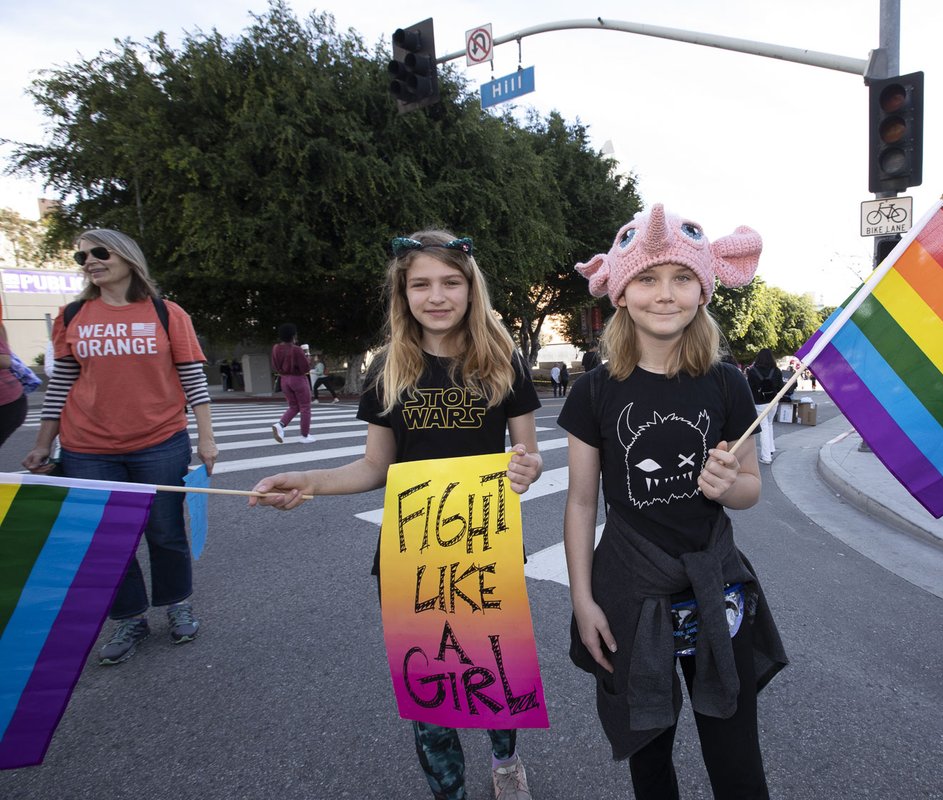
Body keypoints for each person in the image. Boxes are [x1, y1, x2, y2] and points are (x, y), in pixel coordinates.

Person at [250, 230, 544, 800]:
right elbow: (373, 467)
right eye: (421, 284)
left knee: (494, 674)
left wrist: (524, 471)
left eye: (450, 282)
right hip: (410, 557)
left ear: (470, 288)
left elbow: (524, 454)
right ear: (403, 293)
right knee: (431, 696)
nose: (437, 296)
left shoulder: (503, 359)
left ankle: (506, 759)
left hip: (486, 549)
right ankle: (448, 791)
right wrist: (307, 481)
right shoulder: (390, 367)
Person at [560, 204, 787, 800]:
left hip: (718, 590)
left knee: (736, 757)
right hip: (631, 597)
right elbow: (583, 505)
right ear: (621, 291)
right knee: (650, 758)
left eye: (682, 278)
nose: (665, 294)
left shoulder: (727, 382)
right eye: (648, 279)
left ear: (704, 290)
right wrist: (582, 600)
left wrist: (726, 485)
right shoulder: (593, 392)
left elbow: (749, 492)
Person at [21, 228, 217, 664]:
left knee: (165, 532)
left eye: (99, 252)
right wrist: (41, 444)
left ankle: (176, 604)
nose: (89, 260)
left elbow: (193, 381)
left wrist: (206, 438)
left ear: (128, 257)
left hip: (159, 442)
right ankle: (129, 617)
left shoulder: (167, 314)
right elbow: (61, 387)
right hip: (86, 447)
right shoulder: (72, 316)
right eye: (81, 256)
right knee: (108, 540)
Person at [270, 324, 316, 443]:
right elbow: (305, 367)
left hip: (284, 380)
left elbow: (275, 366)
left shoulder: (276, 348)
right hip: (298, 379)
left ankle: (280, 425)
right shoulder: (296, 349)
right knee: (305, 407)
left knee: (294, 406)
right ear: (293, 335)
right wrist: (308, 358)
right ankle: (305, 435)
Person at [745, 349, 782, 465]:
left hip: (759, 403)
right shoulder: (776, 371)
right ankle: (770, 450)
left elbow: (749, 389)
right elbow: (781, 386)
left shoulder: (752, 372)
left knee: (764, 428)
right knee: (770, 424)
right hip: (774, 401)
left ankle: (766, 457)